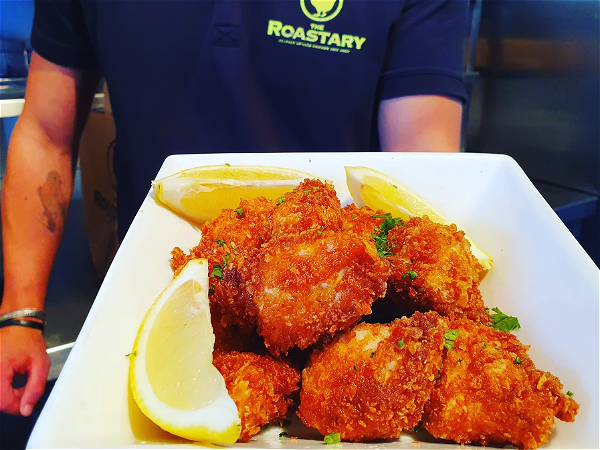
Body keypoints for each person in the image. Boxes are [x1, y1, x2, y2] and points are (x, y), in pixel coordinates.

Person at [0, 0, 469, 417]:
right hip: (154, 302)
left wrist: (442, 289)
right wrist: (20, 316)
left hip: (359, 288)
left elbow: (423, 156)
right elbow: (44, 131)